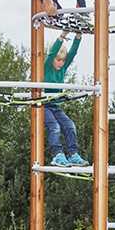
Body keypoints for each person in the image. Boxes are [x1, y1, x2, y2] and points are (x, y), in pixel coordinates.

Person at [43, 30, 90, 167]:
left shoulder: (63, 69)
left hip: (55, 106)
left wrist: (78, 36)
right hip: (43, 105)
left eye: (63, 60)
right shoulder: (47, 67)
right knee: (55, 127)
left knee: (70, 126)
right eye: (58, 60)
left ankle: (73, 155)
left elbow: (73, 53)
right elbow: (53, 53)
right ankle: (57, 155)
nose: (61, 63)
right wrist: (63, 35)